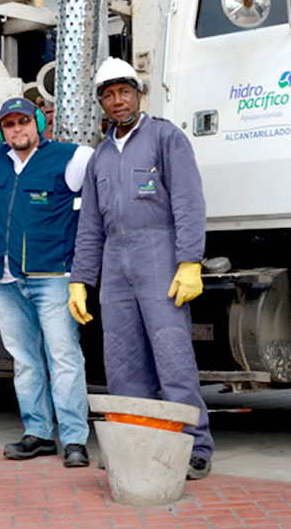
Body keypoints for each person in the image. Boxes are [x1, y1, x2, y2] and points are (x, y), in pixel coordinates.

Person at [67, 57, 214, 480]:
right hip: (115, 263)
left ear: (139, 94)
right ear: (101, 102)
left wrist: (190, 260)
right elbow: (90, 226)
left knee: (173, 357)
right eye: (109, 95)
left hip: (159, 256)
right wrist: (80, 280)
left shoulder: (166, 138)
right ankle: (136, 443)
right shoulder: (99, 158)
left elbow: (188, 202)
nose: (118, 101)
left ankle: (195, 446)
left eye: (125, 92)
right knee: (122, 361)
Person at [0, 96, 93, 468]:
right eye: (9, 124)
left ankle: (75, 439)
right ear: (1, 130)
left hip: (53, 277)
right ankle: (39, 433)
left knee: (64, 358)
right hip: (4, 279)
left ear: (39, 123)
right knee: (25, 361)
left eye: (24, 122)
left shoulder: (74, 157)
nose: (18, 129)